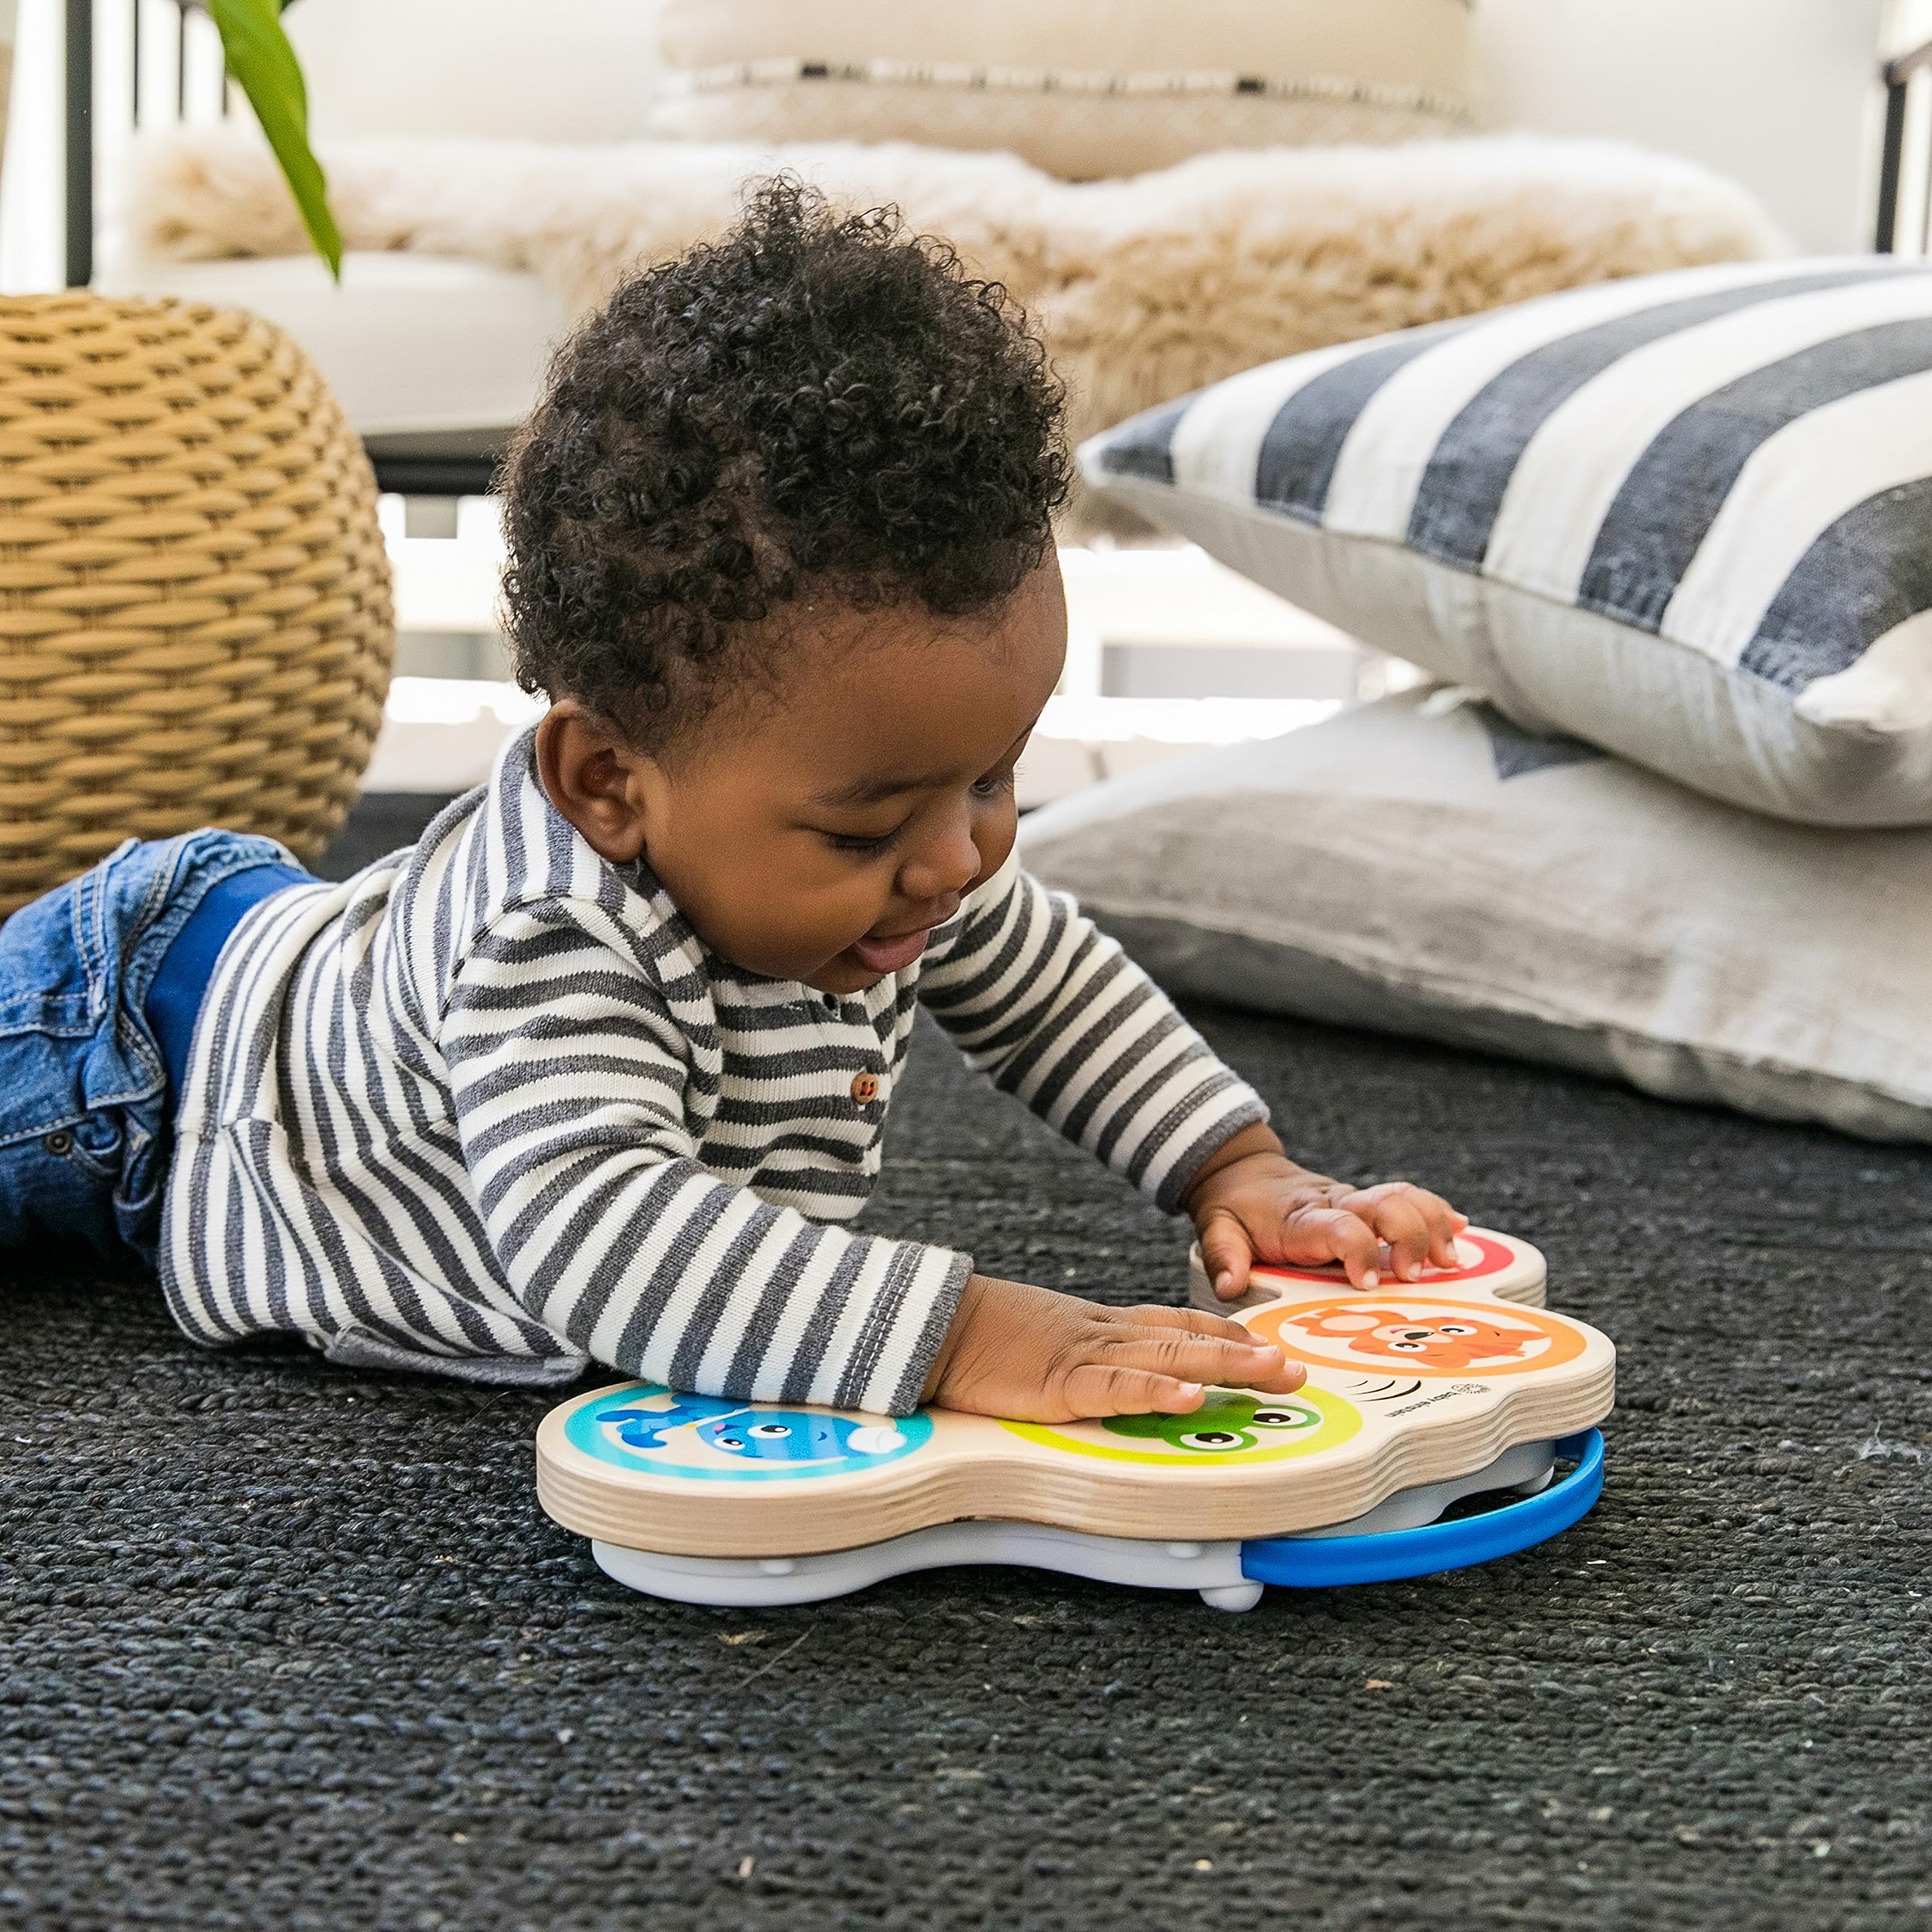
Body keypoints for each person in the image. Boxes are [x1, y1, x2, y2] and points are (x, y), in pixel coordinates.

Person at [0, 180, 1468, 1424]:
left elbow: (1047, 979)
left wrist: (1238, 1164)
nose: (955, 860)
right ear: (607, 783)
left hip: (257, 970)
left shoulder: (909, 845)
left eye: (995, 778)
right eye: (864, 829)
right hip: (142, 1054)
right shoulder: (551, 939)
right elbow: (599, 1235)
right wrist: (968, 1336)